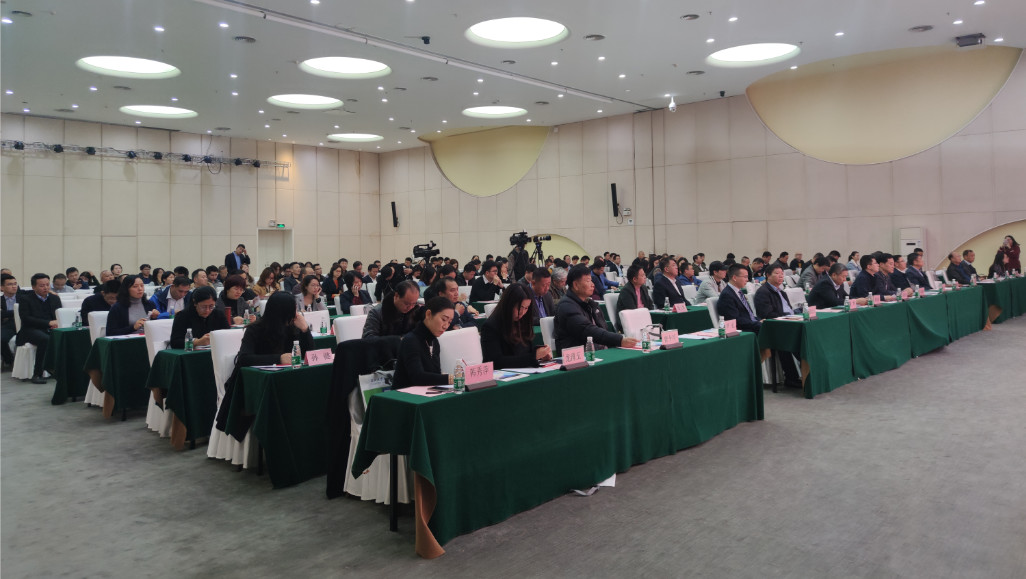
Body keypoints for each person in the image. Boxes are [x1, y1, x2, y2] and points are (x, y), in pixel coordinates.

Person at [552, 265, 638, 354]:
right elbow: (587, 330)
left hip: (598, 351)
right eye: (588, 281)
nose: (592, 284)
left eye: (591, 280)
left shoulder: (590, 303)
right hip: (579, 356)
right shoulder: (566, 306)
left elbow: (603, 328)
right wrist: (619, 340)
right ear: (576, 285)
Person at [481, 283, 553, 369]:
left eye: (526, 308)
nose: (522, 312)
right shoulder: (490, 326)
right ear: (509, 305)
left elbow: (524, 350)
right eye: (520, 308)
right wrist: (533, 356)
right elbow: (496, 362)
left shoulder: (523, 320)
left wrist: (540, 353)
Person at [752, 264, 802, 386]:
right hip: (775, 328)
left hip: (789, 323)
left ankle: (807, 370)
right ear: (768, 275)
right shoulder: (763, 292)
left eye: (782, 274)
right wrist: (788, 316)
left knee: (805, 335)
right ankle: (792, 377)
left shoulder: (782, 292)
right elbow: (767, 314)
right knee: (793, 339)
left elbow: (789, 310)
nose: (781, 276)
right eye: (777, 273)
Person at [234, 291, 314, 367]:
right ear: (285, 311)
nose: (297, 314)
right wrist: (278, 359)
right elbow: (244, 358)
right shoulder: (255, 328)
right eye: (294, 309)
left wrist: (305, 330)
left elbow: (310, 356)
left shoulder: (294, 326)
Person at [390, 296, 454, 389]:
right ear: (428, 314)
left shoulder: (434, 341)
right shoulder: (410, 340)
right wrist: (451, 378)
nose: (446, 326)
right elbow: (417, 377)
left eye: (449, 322)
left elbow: (435, 373)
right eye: (444, 319)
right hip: (404, 394)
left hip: (427, 393)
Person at [16, 274, 62, 383]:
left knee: (66, 336)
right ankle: (37, 374)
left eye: (47, 285)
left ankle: (60, 370)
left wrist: (57, 322)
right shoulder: (25, 299)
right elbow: (26, 319)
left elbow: (59, 314)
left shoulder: (54, 298)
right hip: (30, 329)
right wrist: (48, 323)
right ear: (33, 287)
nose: (45, 287)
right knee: (44, 339)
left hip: (51, 328)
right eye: (42, 286)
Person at [716, 265, 761, 334]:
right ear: (734, 278)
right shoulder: (727, 295)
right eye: (745, 277)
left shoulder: (738, 292)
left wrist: (759, 321)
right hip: (744, 331)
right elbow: (735, 321)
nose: (747, 279)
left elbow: (748, 315)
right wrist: (758, 324)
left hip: (751, 325)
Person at [1, 273, 20, 368]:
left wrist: (6, 313)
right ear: (1, 287)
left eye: (15, 284)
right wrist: (16, 312)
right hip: (7, 325)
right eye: (10, 284)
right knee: (1, 339)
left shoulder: (24, 297)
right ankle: (10, 361)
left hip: (24, 323)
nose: (14, 286)